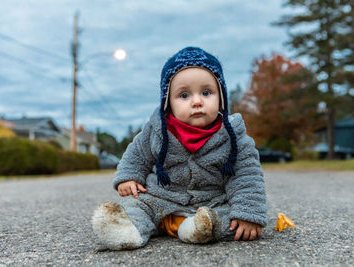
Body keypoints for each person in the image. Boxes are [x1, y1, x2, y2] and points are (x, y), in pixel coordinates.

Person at [92, 47, 267, 250]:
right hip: (160, 199)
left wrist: (248, 212)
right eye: (184, 95)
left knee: (231, 220)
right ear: (168, 103)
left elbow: (247, 177)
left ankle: (195, 229)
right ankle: (127, 231)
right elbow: (136, 154)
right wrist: (128, 177)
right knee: (135, 205)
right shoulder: (156, 131)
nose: (197, 101)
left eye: (206, 92)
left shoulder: (235, 138)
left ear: (221, 98)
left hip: (209, 203)